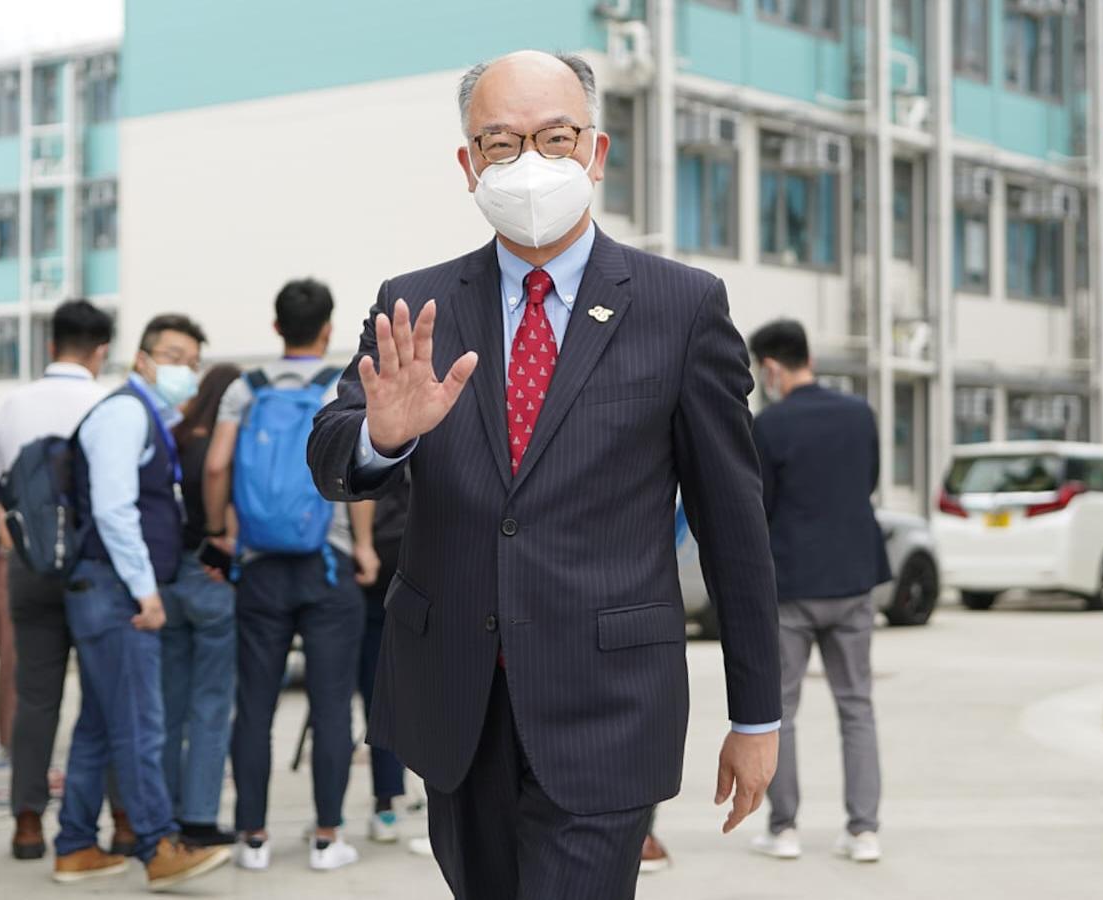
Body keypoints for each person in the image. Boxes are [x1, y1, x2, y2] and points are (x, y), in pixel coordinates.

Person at [306, 50, 783, 900]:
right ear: (468, 164)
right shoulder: (415, 304)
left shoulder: (681, 306)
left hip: (607, 704)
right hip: (456, 702)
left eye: (555, 138)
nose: (529, 162)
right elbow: (334, 451)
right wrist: (382, 439)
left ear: (595, 154)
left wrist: (756, 713)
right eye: (500, 142)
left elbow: (732, 523)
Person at [52, 314, 230, 888]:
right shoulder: (126, 412)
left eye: (193, 361)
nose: (185, 370)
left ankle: (75, 844)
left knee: (100, 726)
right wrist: (146, 592)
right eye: (174, 356)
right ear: (144, 360)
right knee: (141, 724)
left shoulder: (147, 417)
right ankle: (158, 846)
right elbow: (112, 508)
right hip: (114, 588)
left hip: (105, 587)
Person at [202, 278, 374, 872]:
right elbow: (358, 475)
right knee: (331, 706)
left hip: (260, 569)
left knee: (254, 705)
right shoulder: (339, 386)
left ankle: (252, 838)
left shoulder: (244, 390)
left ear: (277, 327)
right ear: (328, 329)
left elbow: (218, 463)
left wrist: (222, 531)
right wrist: (367, 549)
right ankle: (327, 837)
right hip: (327, 566)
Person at [0, 299, 130, 860]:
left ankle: (25, 823)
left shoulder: (9, 406)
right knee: (108, 696)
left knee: (35, 697)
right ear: (102, 350)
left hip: (29, 567)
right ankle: (124, 819)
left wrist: (22, 549)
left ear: (50, 345)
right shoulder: (112, 403)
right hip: (96, 570)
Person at [744, 320, 889, 864]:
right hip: (853, 579)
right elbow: (869, 481)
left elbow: (760, 504)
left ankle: (783, 829)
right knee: (857, 705)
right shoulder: (860, 415)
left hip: (792, 585)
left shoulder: (771, 425)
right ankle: (864, 830)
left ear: (773, 367)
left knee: (781, 708)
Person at [159, 363, 240, 847]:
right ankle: (200, 818)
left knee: (168, 706)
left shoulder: (175, 434)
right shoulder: (227, 444)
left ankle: (162, 813)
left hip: (170, 577)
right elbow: (227, 496)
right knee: (210, 705)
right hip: (213, 576)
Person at [359, 467, 409, 843]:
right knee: (392, 687)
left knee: (336, 696)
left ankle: (331, 817)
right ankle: (388, 803)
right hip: (404, 556)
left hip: (356, 565)